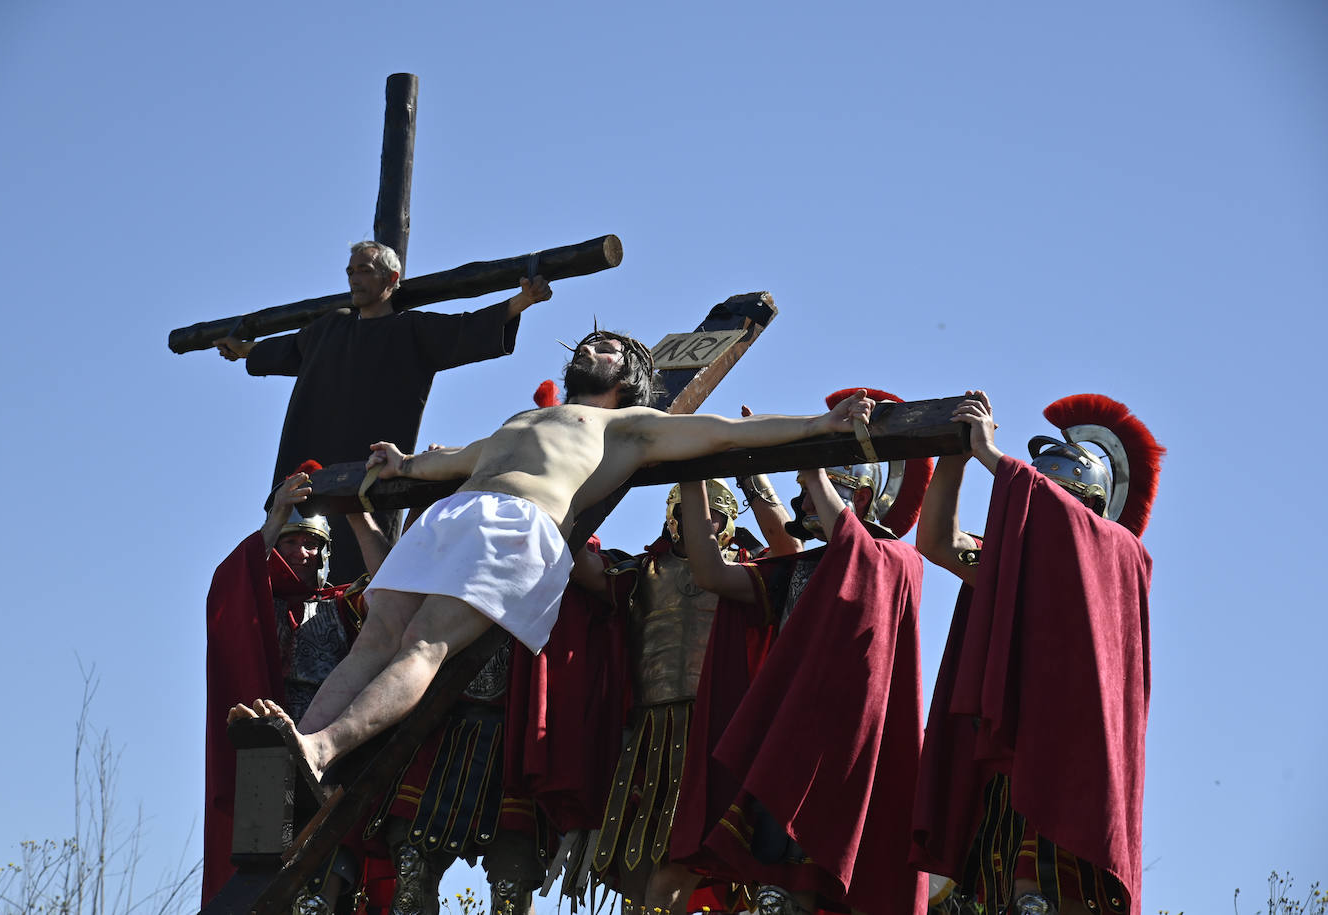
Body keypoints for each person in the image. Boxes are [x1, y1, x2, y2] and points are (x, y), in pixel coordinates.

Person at [228, 330, 876, 796]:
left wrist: (821, 426)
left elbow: (729, 434)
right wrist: (403, 464)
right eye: (590, 345)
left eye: (609, 349)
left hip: (518, 527)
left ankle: (325, 746)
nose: (591, 348)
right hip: (452, 518)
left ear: (628, 378)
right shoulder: (523, 418)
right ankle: (296, 750)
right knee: (371, 640)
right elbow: (451, 460)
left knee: (422, 644)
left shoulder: (627, 427)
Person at [674, 386, 932, 915]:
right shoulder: (796, 569)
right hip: (785, 739)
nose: (803, 497)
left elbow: (853, 549)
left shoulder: (893, 561)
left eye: (814, 487)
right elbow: (710, 573)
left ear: (854, 495)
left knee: (809, 889)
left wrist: (816, 452)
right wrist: (692, 473)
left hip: (843, 752)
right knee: (773, 890)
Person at [910, 392, 1164, 915]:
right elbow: (935, 543)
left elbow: (1066, 527)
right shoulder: (1011, 563)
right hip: (1007, 757)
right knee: (995, 898)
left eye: (1044, 496)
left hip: (1070, 763)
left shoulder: (1116, 556)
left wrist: (991, 454)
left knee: (1043, 899)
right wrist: (957, 458)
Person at [215, 241, 553, 584]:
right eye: (350, 271)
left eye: (364, 270)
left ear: (392, 277)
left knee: (364, 570)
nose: (354, 278)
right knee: (295, 562)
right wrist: (244, 351)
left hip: (371, 472)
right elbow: (286, 350)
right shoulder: (328, 329)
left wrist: (524, 300)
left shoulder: (410, 331)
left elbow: (465, 328)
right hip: (310, 467)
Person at [569, 477, 797, 914]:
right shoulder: (641, 570)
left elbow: (791, 550)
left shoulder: (748, 571)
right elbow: (583, 566)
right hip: (647, 735)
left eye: (718, 514)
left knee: (693, 861)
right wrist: (575, 492)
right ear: (670, 517)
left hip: (720, 735)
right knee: (638, 863)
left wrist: (753, 480)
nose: (703, 520)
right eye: (691, 511)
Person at [202, 465, 390, 904]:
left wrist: (356, 513)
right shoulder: (257, 606)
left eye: (313, 544)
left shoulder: (347, 607)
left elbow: (394, 587)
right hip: (269, 757)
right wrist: (276, 518)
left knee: (330, 870)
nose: (304, 552)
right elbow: (228, 590)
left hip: (332, 758)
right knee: (263, 875)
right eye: (292, 541)